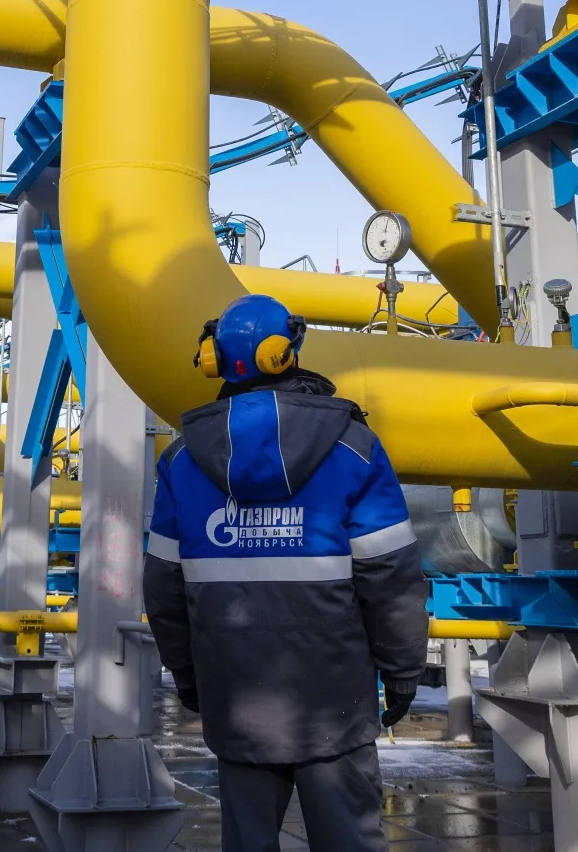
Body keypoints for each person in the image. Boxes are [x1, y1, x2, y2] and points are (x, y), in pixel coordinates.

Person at [143, 293, 429, 852]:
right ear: (288, 352)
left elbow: (163, 588)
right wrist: (402, 669)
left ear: (213, 360)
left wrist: (188, 676)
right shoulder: (355, 449)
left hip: (236, 698)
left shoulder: (180, 462)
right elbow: (390, 578)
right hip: (335, 705)